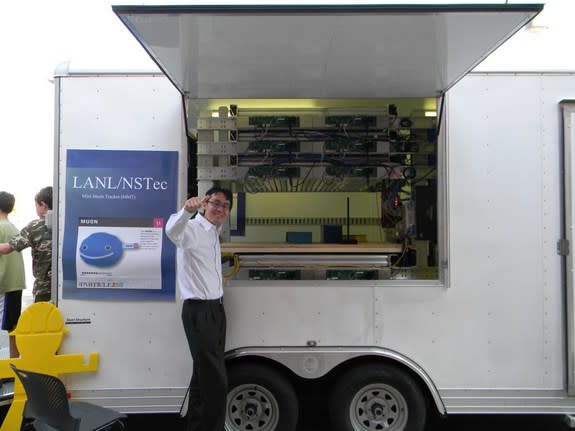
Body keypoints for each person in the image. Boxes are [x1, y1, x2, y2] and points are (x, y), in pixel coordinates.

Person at [165, 186, 232, 431]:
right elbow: (172, 231)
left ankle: (196, 426)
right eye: (215, 203)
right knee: (215, 383)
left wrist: (216, 281)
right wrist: (185, 211)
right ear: (205, 203)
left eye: (225, 206)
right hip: (199, 313)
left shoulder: (214, 231)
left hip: (215, 310)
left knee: (203, 378)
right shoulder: (192, 228)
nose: (220, 209)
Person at [0, 186, 52, 303]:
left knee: (43, 320)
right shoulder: (67, 223)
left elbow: (7, 248)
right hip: (67, 287)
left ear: (43, 205)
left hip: (43, 289)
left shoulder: (35, 227)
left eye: (36, 205)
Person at [0, 192, 26, 357]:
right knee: (13, 327)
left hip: (4, 283)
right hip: (16, 282)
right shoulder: (13, 227)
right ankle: (12, 367)